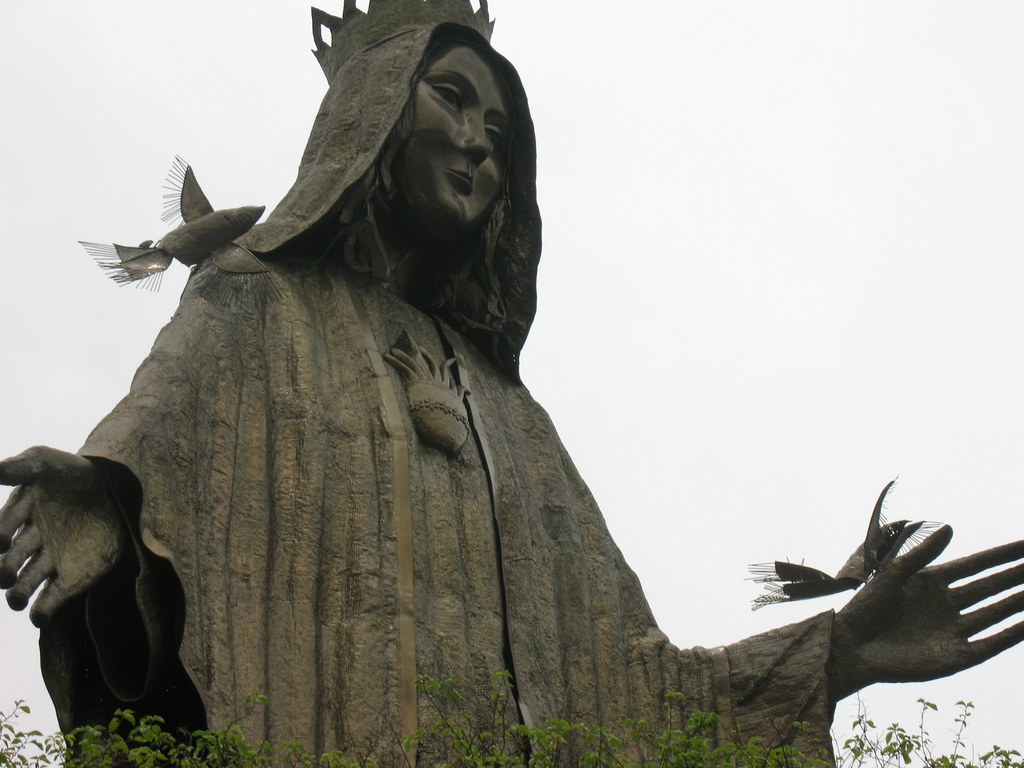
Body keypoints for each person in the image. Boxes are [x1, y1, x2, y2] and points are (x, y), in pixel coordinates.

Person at [2, 3, 1023, 763]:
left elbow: (630, 685)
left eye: (503, 129)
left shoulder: (518, 426)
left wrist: (832, 651)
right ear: (374, 117)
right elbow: (150, 456)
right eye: (452, 98)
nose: (483, 139)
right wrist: (101, 502)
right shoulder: (255, 302)